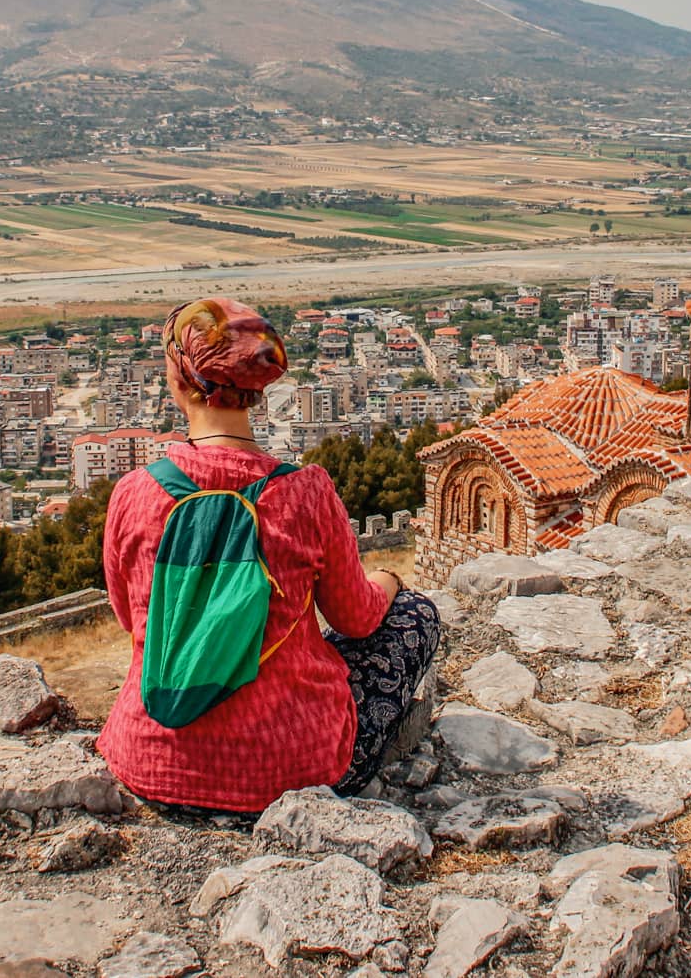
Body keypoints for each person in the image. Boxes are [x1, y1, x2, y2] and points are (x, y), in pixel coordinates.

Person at [97, 295, 442, 815]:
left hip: (151, 763)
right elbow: (356, 619)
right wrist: (389, 580)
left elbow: (131, 617)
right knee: (416, 616)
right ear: (259, 387)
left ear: (177, 377)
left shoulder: (135, 492)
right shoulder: (305, 492)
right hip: (291, 768)